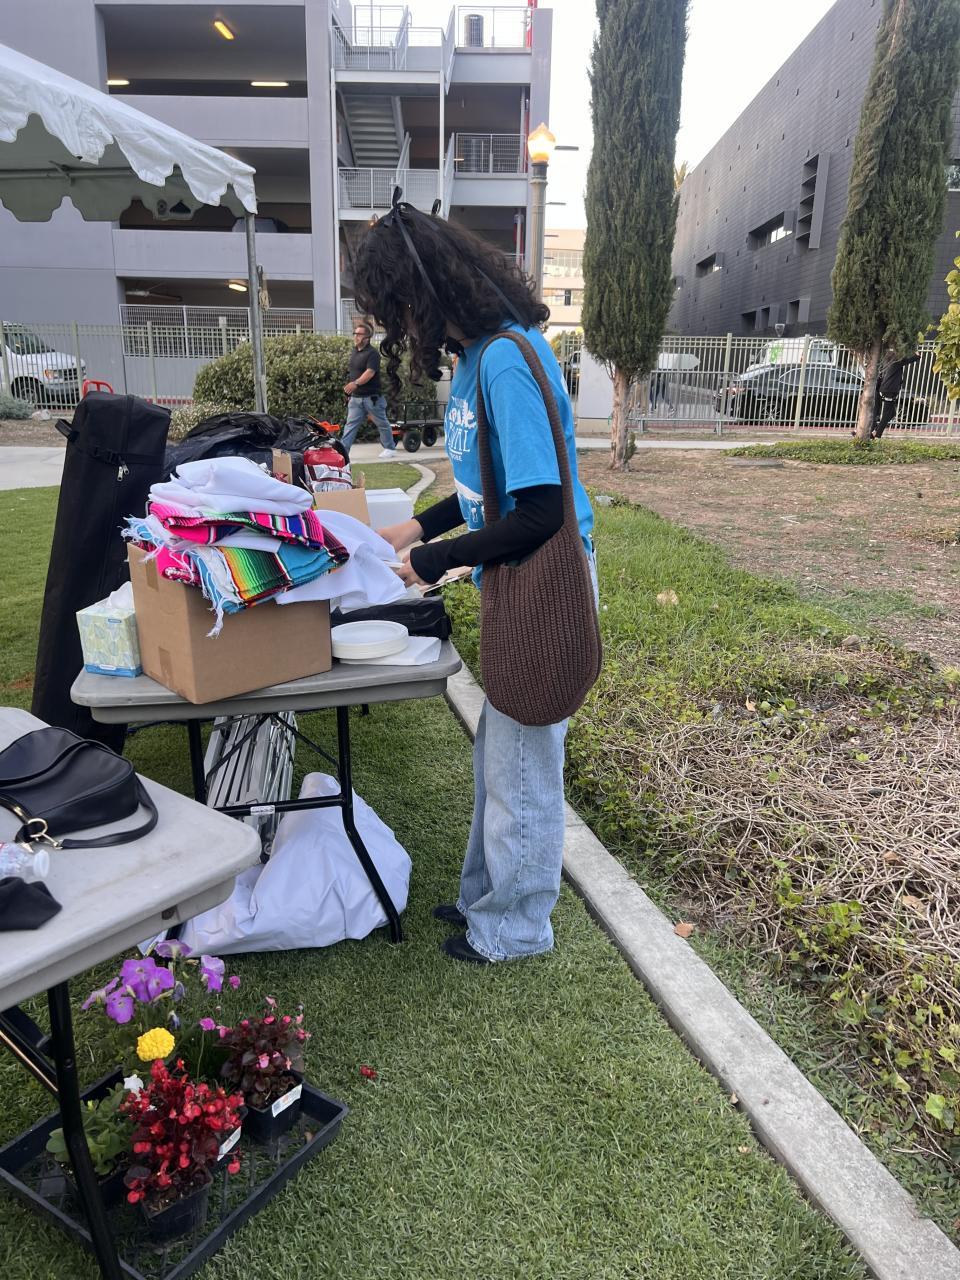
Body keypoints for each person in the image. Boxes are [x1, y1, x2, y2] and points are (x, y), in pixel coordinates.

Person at [353, 197, 596, 966]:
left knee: (523, 768)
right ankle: (483, 898)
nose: (396, 328)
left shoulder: (504, 360)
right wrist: (414, 529)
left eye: (395, 309)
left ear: (425, 292)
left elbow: (540, 512)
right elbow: (485, 485)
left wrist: (429, 563)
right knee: (502, 754)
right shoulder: (475, 356)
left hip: (546, 582)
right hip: (512, 577)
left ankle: (515, 928)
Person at [340, 320, 397, 458]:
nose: (355, 336)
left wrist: (355, 383)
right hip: (356, 399)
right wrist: (350, 390)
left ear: (367, 337)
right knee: (350, 425)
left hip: (372, 399)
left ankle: (390, 448)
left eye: (359, 334)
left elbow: (370, 372)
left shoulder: (373, 354)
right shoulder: (354, 352)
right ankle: (343, 452)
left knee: (382, 423)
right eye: (355, 333)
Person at [871, 349, 921, 438]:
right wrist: (915, 353)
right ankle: (876, 434)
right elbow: (912, 359)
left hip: (886, 389)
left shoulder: (886, 361)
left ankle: (873, 431)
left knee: (891, 413)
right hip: (889, 390)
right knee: (887, 415)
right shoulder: (896, 362)